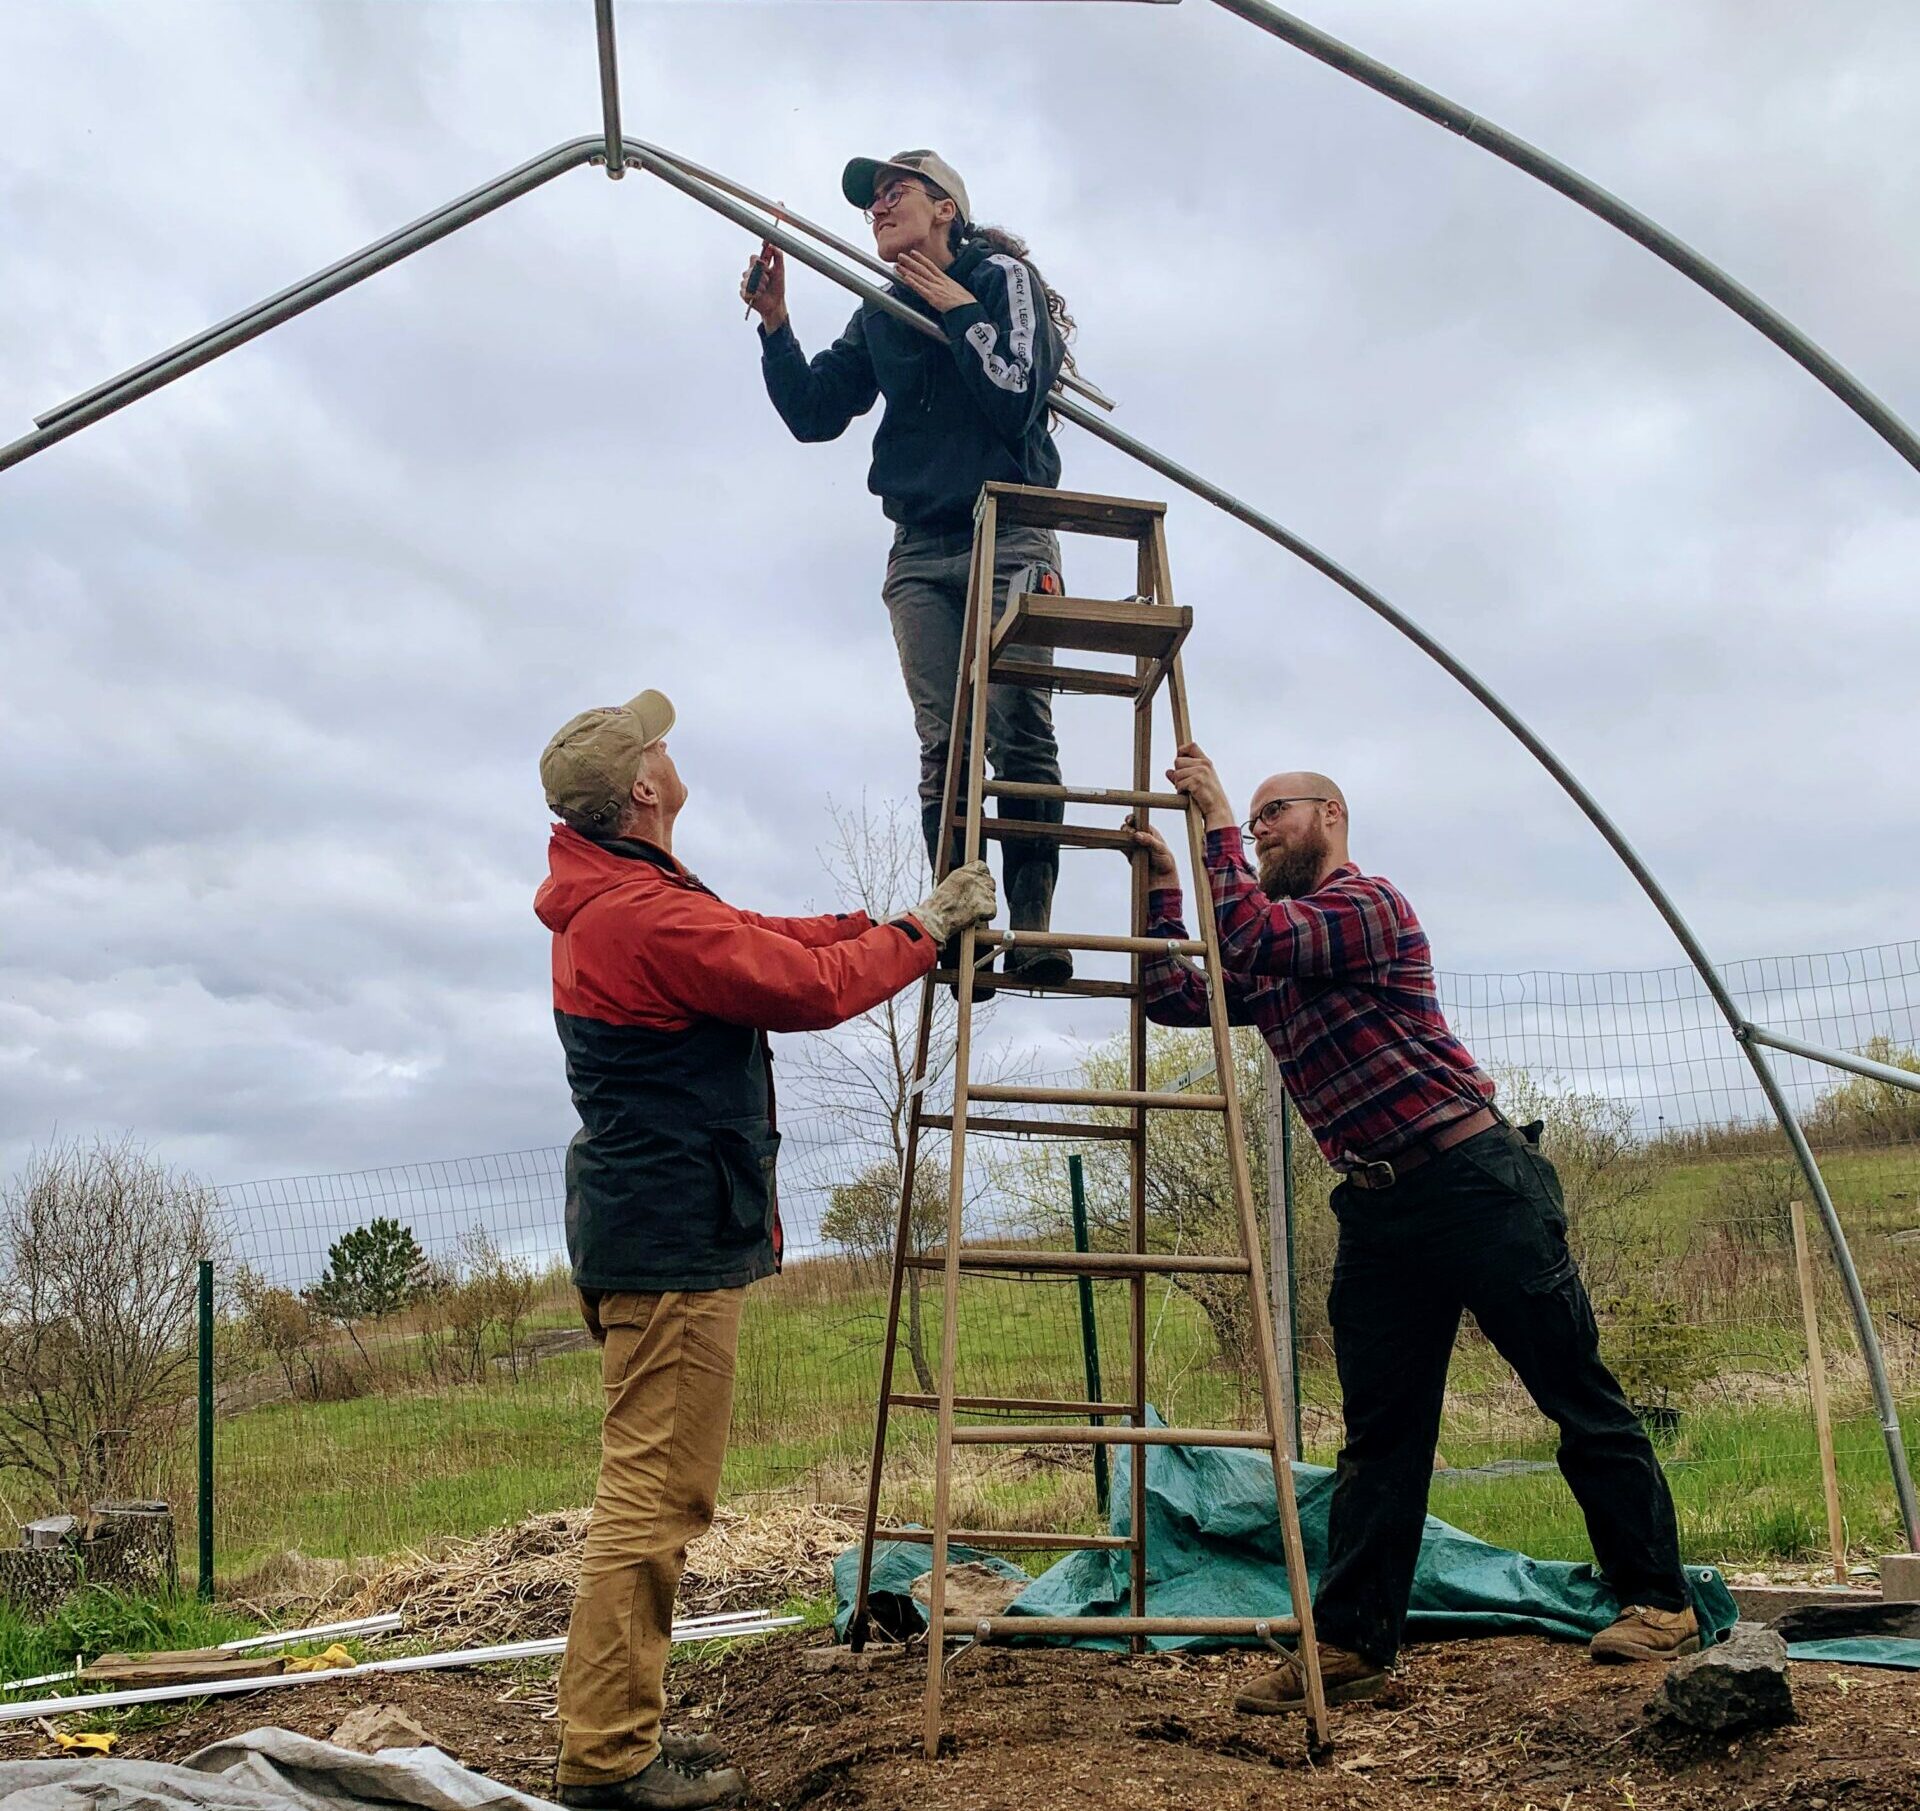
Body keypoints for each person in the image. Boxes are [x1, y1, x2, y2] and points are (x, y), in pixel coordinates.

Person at [1128, 750, 1699, 1715]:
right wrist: (1162, 885)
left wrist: (1215, 813)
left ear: (1333, 818)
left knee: (1574, 1390)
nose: (1261, 828)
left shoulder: (1366, 909)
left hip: (1477, 1180)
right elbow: (1176, 993)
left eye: (1277, 813)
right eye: (1253, 817)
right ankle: (1354, 1643)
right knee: (1380, 1436)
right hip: (1380, 1208)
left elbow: (1255, 931)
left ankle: (1659, 1601)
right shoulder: (1272, 956)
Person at [535, 688, 995, 1808]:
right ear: (643, 787)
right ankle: (607, 1761)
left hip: (652, 1224)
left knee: (650, 1487)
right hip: (673, 1236)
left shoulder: (630, 895)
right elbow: (802, 988)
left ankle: (618, 1735)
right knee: (654, 1497)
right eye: (660, 745)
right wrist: (926, 933)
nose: (671, 751)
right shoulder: (640, 915)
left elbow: (774, 942)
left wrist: (893, 921)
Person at [742, 148, 1077, 989]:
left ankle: (1034, 927)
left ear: (946, 210)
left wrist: (961, 308)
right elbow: (817, 414)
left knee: (1018, 730)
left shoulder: (1002, 277)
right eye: (872, 201)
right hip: (921, 545)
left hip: (1011, 528)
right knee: (946, 745)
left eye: (897, 193)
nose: (879, 207)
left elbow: (1015, 394)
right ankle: (960, 925)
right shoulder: (882, 309)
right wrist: (778, 326)